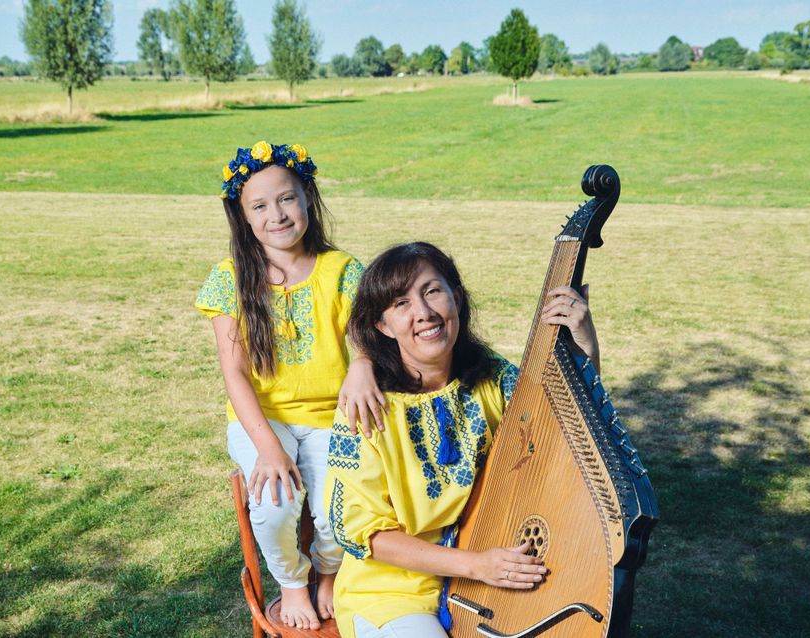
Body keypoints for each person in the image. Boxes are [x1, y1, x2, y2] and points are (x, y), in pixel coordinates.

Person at [324, 242, 601, 638]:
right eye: (401, 304)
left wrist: (584, 339)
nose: (424, 313)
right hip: (392, 592)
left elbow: (566, 425)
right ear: (382, 326)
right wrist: (475, 564)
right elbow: (365, 534)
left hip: (490, 558)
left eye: (432, 291)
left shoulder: (493, 378)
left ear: (456, 295)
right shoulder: (365, 405)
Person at [195, 141, 382, 630]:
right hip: (264, 419)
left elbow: (364, 335)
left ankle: (327, 572)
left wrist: (362, 365)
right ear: (243, 217)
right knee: (275, 504)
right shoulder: (230, 279)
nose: (276, 214)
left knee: (337, 505)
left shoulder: (342, 269)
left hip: (331, 416)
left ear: (307, 199)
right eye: (259, 205)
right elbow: (234, 372)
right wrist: (267, 449)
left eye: (287, 198)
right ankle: (292, 583)